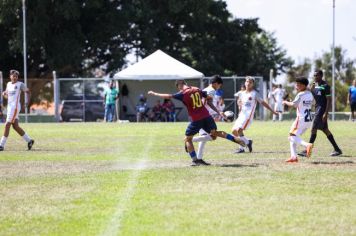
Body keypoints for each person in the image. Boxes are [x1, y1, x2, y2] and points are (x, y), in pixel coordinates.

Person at [148, 79, 245, 166]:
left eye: (178, 87)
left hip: (196, 119)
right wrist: (218, 111)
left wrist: (155, 94)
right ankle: (235, 139)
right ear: (186, 83)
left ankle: (195, 160)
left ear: (179, 85)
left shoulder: (182, 94)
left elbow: (168, 96)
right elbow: (208, 99)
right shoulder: (197, 89)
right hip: (207, 116)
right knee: (215, 134)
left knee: (187, 139)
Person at [192, 75, 239, 160]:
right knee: (213, 136)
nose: (219, 88)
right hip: (203, 116)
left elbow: (205, 104)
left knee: (204, 137)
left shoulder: (205, 89)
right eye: (219, 85)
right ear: (216, 83)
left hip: (200, 115)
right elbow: (208, 103)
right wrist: (219, 112)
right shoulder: (212, 90)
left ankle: (199, 158)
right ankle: (190, 139)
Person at [298, 70, 342, 157]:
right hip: (317, 108)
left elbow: (329, 100)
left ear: (321, 76)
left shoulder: (325, 86)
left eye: (317, 75)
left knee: (313, 128)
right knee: (325, 130)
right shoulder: (315, 86)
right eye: (314, 76)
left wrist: (326, 113)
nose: (315, 77)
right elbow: (313, 96)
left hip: (322, 109)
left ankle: (307, 150)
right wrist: (311, 89)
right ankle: (337, 149)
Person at [233, 76, 278, 153]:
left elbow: (263, 103)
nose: (248, 83)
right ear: (245, 82)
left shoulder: (254, 94)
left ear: (253, 84)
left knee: (239, 130)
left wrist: (272, 111)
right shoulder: (241, 93)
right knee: (234, 131)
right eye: (247, 81)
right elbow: (238, 98)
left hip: (247, 116)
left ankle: (241, 148)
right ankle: (247, 142)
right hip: (241, 115)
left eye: (250, 82)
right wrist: (239, 103)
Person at [0, 70, 34, 151]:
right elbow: (8, 97)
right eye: (13, 76)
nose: (15, 77)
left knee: (7, 125)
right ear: (10, 76)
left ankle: (1, 145)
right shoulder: (8, 84)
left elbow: (28, 92)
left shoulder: (20, 84)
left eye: (16, 76)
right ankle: (29, 140)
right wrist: (4, 94)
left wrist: (27, 102)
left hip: (14, 108)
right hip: (10, 107)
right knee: (15, 126)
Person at [282, 77, 314, 163]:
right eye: (296, 84)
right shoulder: (310, 94)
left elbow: (294, 105)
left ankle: (307, 145)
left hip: (301, 118)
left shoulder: (300, 94)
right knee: (294, 137)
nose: (296, 86)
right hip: (309, 120)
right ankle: (293, 157)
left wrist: (285, 102)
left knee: (291, 136)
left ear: (304, 85)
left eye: (298, 84)